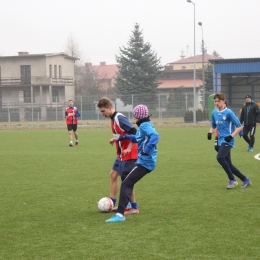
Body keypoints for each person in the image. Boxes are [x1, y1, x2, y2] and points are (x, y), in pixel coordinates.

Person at [105, 104, 160, 223]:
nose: (134, 119)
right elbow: (136, 138)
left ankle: (120, 214)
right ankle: (133, 207)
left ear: (138, 116)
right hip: (142, 161)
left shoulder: (145, 125)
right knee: (125, 174)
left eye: (135, 116)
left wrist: (146, 150)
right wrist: (120, 138)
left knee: (126, 184)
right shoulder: (144, 125)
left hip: (145, 163)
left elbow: (155, 136)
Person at [97, 97, 138, 214]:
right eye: (101, 112)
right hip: (120, 154)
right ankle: (112, 202)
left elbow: (135, 133)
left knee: (127, 180)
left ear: (110, 107)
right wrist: (115, 139)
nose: (102, 114)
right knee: (113, 174)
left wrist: (129, 148)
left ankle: (134, 207)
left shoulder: (119, 118)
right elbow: (121, 133)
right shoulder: (112, 118)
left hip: (128, 154)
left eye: (103, 111)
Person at [207, 92, 251, 189]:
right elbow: (214, 125)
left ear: (223, 101)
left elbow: (239, 127)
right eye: (215, 101)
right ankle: (245, 180)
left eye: (218, 101)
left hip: (228, 140)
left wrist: (231, 136)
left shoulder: (229, 112)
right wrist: (210, 133)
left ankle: (232, 180)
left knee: (220, 157)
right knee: (229, 164)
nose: (216, 103)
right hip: (220, 140)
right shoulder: (214, 113)